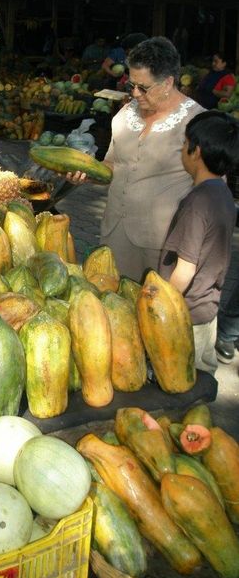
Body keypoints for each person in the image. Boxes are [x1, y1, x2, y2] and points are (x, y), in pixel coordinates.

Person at [66, 36, 205, 282]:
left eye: (144, 87)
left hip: (164, 243)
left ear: (168, 83)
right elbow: (111, 166)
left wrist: (192, 254)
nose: (135, 94)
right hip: (115, 232)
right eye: (131, 85)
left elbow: (212, 190)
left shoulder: (196, 123)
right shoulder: (124, 115)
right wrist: (85, 174)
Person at [159, 111, 239, 374]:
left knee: (179, 386)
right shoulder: (223, 194)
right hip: (206, 312)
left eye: (184, 143)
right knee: (199, 381)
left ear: (197, 151)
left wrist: (159, 308)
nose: (182, 149)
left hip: (185, 317)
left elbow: (185, 270)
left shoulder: (198, 203)